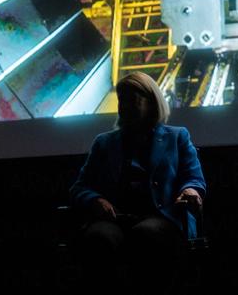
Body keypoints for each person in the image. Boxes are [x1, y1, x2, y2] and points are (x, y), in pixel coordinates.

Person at [69, 72, 206, 290]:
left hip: (162, 217)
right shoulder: (104, 143)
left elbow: (194, 178)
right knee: (99, 238)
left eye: (132, 99)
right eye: (122, 99)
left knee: (146, 235)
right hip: (115, 219)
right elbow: (80, 187)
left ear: (152, 101)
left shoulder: (178, 137)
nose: (125, 105)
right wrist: (95, 200)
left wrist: (191, 191)